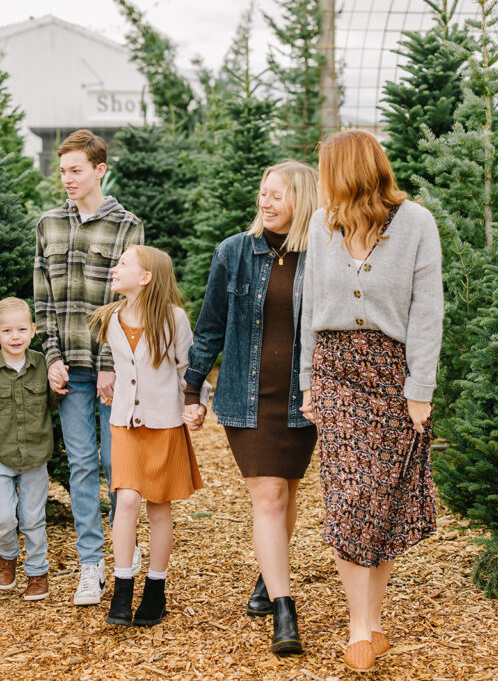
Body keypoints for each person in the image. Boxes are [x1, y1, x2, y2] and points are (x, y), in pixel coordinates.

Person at [299, 130, 443, 673]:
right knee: (347, 499)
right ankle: (359, 626)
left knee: (381, 501)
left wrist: (419, 390)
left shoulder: (416, 224)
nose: (320, 180)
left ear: (349, 170)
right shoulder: (321, 223)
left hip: (391, 375)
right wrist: (308, 381)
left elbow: (428, 312)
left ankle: (373, 622)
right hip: (336, 372)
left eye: (325, 169)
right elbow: (311, 305)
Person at [184, 160, 320, 655]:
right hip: (247, 393)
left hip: (302, 399)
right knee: (268, 497)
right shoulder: (234, 253)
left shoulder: (321, 255)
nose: (265, 202)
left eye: (277, 195)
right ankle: (285, 609)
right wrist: (191, 390)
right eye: (263, 193)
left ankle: (270, 572)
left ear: (301, 200)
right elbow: (210, 326)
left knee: (286, 491)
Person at [33, 129, 144, 606]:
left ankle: (125, 546)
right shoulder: (48, 225)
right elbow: (43, 299)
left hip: (112, 368)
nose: (67, 179)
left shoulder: (127, 226)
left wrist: (108, 365)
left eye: (76, 170)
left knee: (113, 462)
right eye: (62, 171)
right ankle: (90, 564)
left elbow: (128, 298)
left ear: (101, 169)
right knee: (80, 465)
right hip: (68, 368)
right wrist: (52, 357)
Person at [89, 245, 208, 627]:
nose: (114, 268)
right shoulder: (110, 318)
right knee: (125, 501)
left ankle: (155, 590)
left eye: (123, 264)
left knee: (158, 506)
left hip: (165, 423)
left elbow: (189, 369)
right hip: (124, 423)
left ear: (146, 278)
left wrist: (196, 404)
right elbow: (120, 370)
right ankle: (122, 590)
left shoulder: (173, 319)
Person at [0, 298, 62, 602]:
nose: (15, 336)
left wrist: (58, 386)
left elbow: (52, 404)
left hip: (35, 455)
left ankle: (37, 572)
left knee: (33, 518)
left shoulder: (43, 364)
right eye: (7, 330)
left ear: (33, 330)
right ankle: (7, 558)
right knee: (3, 516)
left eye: (22, 328)